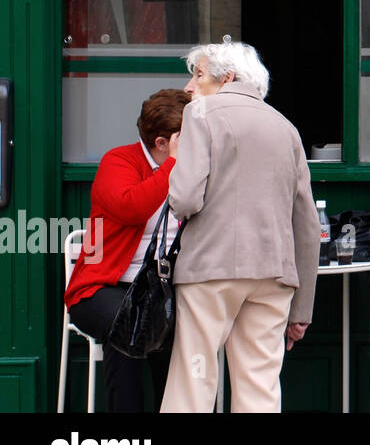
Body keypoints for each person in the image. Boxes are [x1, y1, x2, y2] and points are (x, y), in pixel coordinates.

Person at [160, 41, 319, 413]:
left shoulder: (201, 113)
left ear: (227, 77)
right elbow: (307, 224)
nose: (188, 86)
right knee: (260, 386)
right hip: (273, 275)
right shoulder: (286, 127)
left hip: (210, 270)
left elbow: (184, 200)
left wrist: (178, 164)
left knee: (194, 381)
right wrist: (303, 309)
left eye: (197, 74)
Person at [65, 88, 190, 412]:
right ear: (162, 143)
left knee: (182, 333)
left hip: (162, 287)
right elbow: (131, 207)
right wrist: (172, 165)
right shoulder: (119, 161)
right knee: (131, 323)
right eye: (187, 137)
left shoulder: (191, 168)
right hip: (103, 287)